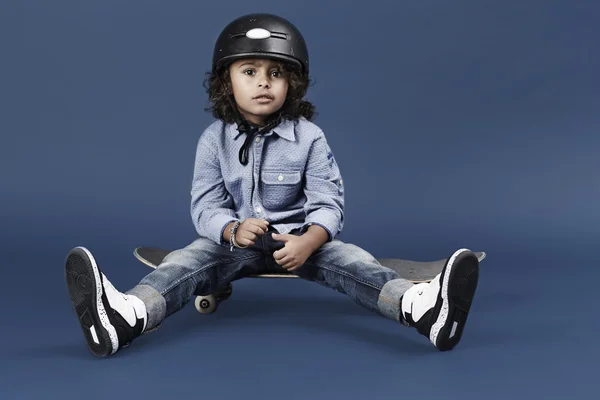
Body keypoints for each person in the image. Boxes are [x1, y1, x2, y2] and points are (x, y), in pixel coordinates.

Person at [64, 13, 480, 358]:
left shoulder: (310, 138)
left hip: (300, 242)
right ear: (227, 82)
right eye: (250, 72)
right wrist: (230, 230)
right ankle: (126, 316)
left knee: (355, 263)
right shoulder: (213, 140)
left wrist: (311, 240)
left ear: (291, 84)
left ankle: (422, 309)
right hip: (233, 244)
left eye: (275, 73)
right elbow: (205, 204)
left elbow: (329, 203)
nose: (263, 82)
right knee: (184, 264)